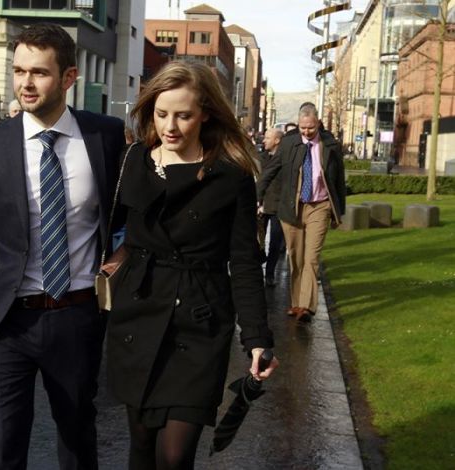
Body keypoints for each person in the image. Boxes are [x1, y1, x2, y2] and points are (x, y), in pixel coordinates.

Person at [0, 23, 125, 470]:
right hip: (5, 322)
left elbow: (125, 218)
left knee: (77, 438)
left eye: (39, 72)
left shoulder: (105, 137)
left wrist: (120, 263)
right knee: (2, 447)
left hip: (76, 317)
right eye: (18, 71)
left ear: (69, 77)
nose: (26, 83)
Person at [105, 61, 278, 469]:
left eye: (183, 115)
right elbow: (104, 228)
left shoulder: (229, 177)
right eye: (162, 114)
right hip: (140, 312)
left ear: (205, 114)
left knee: (174, 456)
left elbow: (245, 262)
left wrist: (256, 338)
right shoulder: (134, 161)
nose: (170, 126)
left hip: (198, 323)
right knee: (142, 448)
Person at [257, 103, 346, 322]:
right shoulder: (289, 143)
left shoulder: (330, 144)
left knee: (311, 257)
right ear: (298, 124)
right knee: (295, 258)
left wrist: (339, 212)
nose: (306, 132)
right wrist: (257, 196)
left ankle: (306, 306)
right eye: (303, 128)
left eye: (311, 128)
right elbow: (270, 171)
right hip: (292, 208)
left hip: (319, 206)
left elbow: (339, 180)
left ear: (318, 123)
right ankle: (296, 302)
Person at [257, 127, 286, 287]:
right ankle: (257, 270)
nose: (264, 140)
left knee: (275, 243)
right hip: (261, 206)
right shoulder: (261, 158)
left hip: (278, 207)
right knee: (257, 242)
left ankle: (269, 274)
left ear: (277, 140)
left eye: (268, 138)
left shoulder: (285, 160)